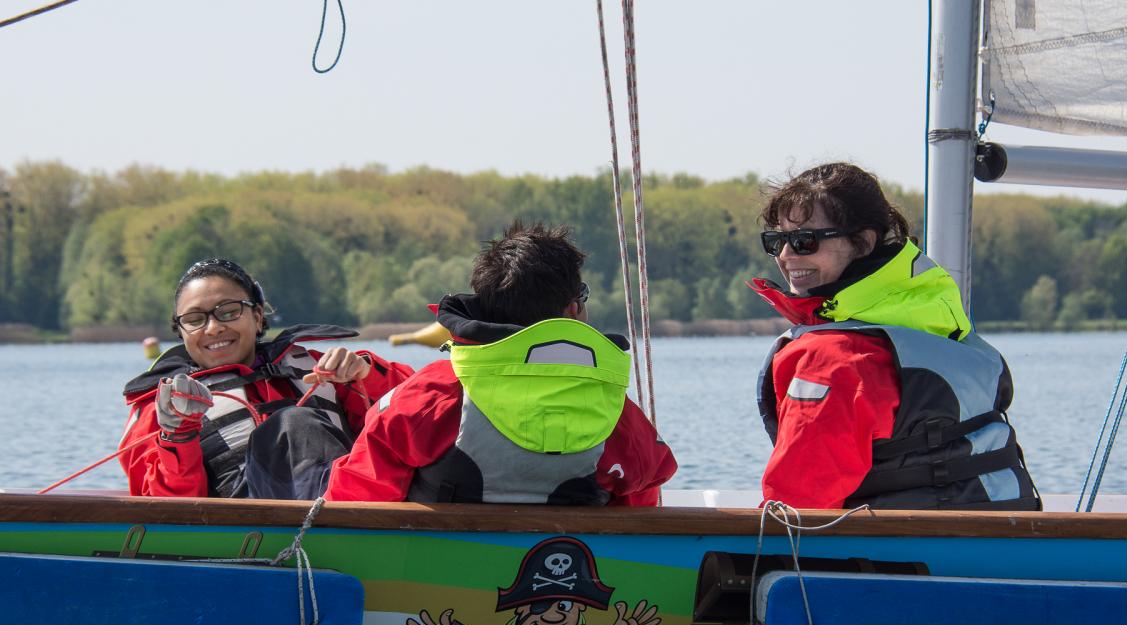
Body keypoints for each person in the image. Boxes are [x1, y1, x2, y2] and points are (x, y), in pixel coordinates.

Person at [751, 162, 1039, 510]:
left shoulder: (832, 358)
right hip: (1001, 532)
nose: (786, 255)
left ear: (862, 243)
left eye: (804, 241)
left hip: (902, 542)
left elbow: (798, 502)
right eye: (776, 241)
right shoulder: (938, 330)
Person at [324, 222, 676, 505]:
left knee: (305, 427)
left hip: (437, 569)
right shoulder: (617, 416)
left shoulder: (432, 397)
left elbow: (354, 500)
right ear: (573, 309)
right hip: (560, 571)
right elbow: (642, 507)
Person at [119, 258, 414, 499]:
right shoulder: (159, 407)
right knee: (293, 422)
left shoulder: (323, 368)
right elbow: (161, 508)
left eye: (229, 312)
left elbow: (419, 410)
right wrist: (178, 436)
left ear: (258, 316)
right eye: (195, 320)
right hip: (244, 527)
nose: (213, 328)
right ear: (181, 332)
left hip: (349, 505)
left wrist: (365, 373)